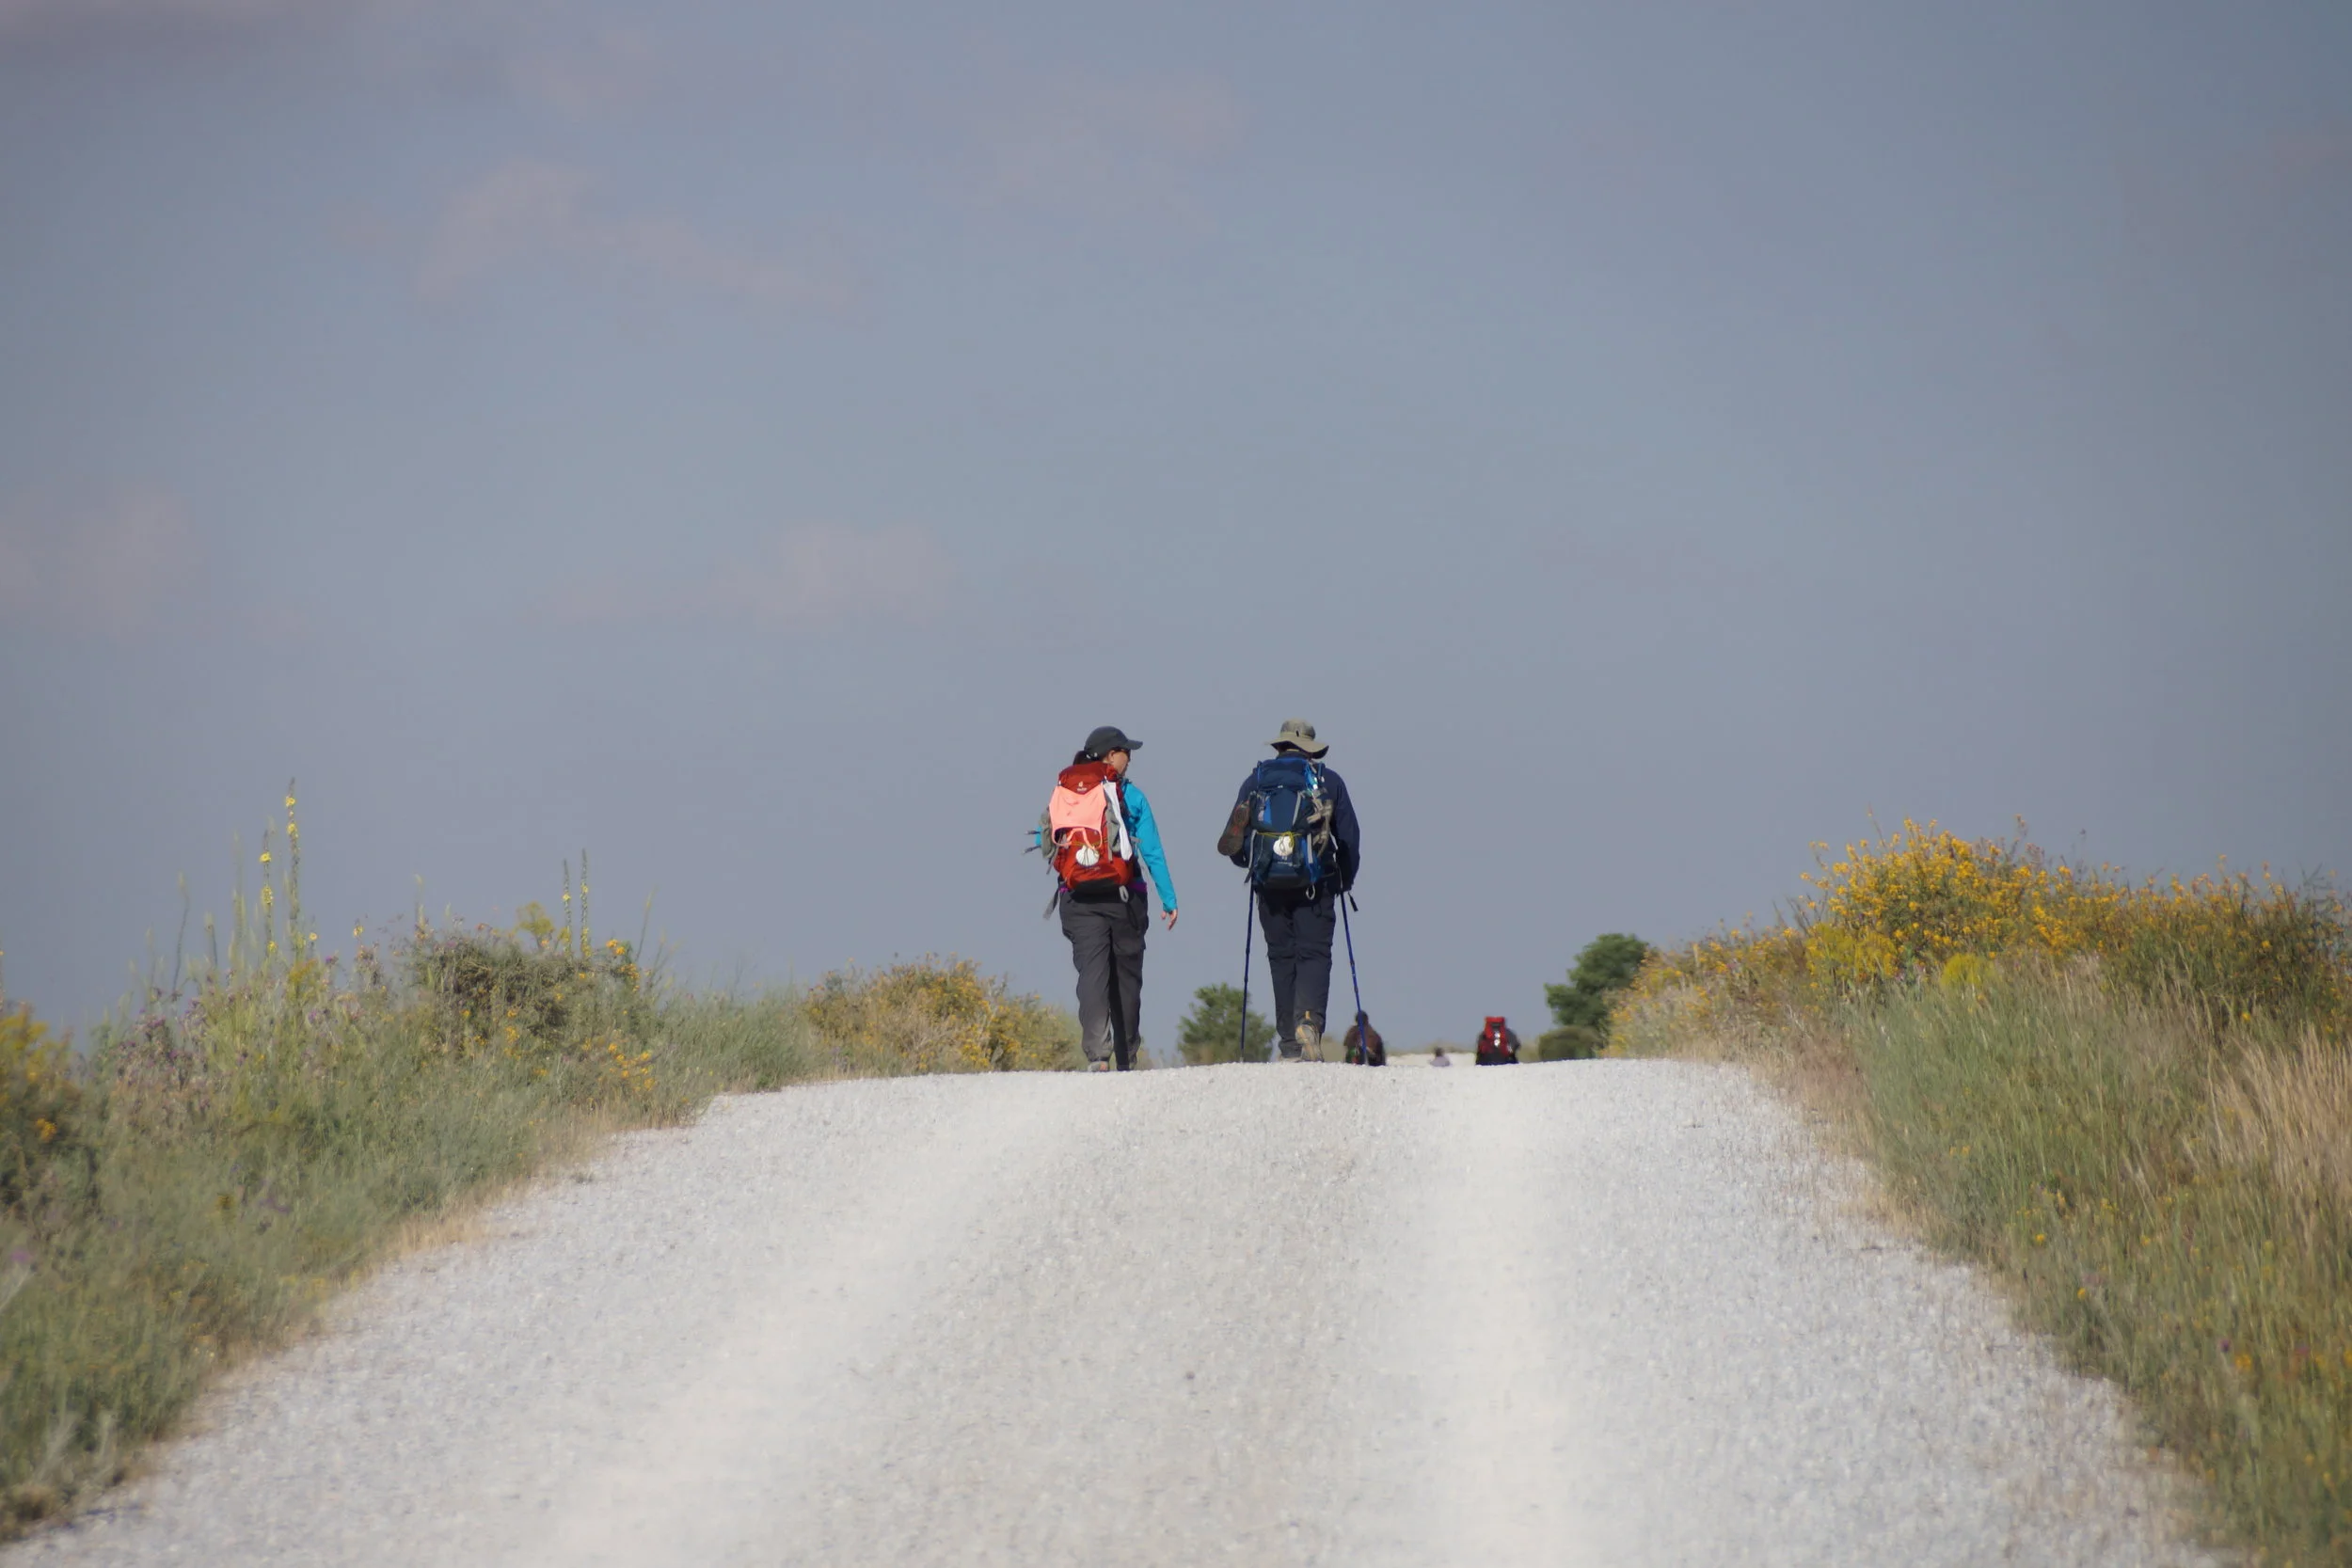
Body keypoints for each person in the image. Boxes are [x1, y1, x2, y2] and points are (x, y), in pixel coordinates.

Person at [1223, 718, 1360, 1061]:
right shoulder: (1329, 781)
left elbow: (1234, 840)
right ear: (1310, 750)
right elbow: (1350, 839)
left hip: (1269, 884)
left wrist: (1250, 865)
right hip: (1318, 883)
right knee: (1314, 954)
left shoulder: (1255, 781)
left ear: (1279, 747)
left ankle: (1288, 1042)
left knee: (1280, 958)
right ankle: (1309, 1022)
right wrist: (1344, 878)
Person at [1041, 725, 1177, 1071]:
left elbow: (1050, 845)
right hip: (1124, 896)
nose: (1129, 757)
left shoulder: (1065, 790)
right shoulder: (1129, 795)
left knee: (1092, 974)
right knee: (1127, 978)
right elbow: (1152, 851)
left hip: (1076, 896)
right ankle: (1126, 1055)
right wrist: (1168, 898)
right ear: (1110, 755)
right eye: (1125, 751)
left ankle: (1098, 1055)